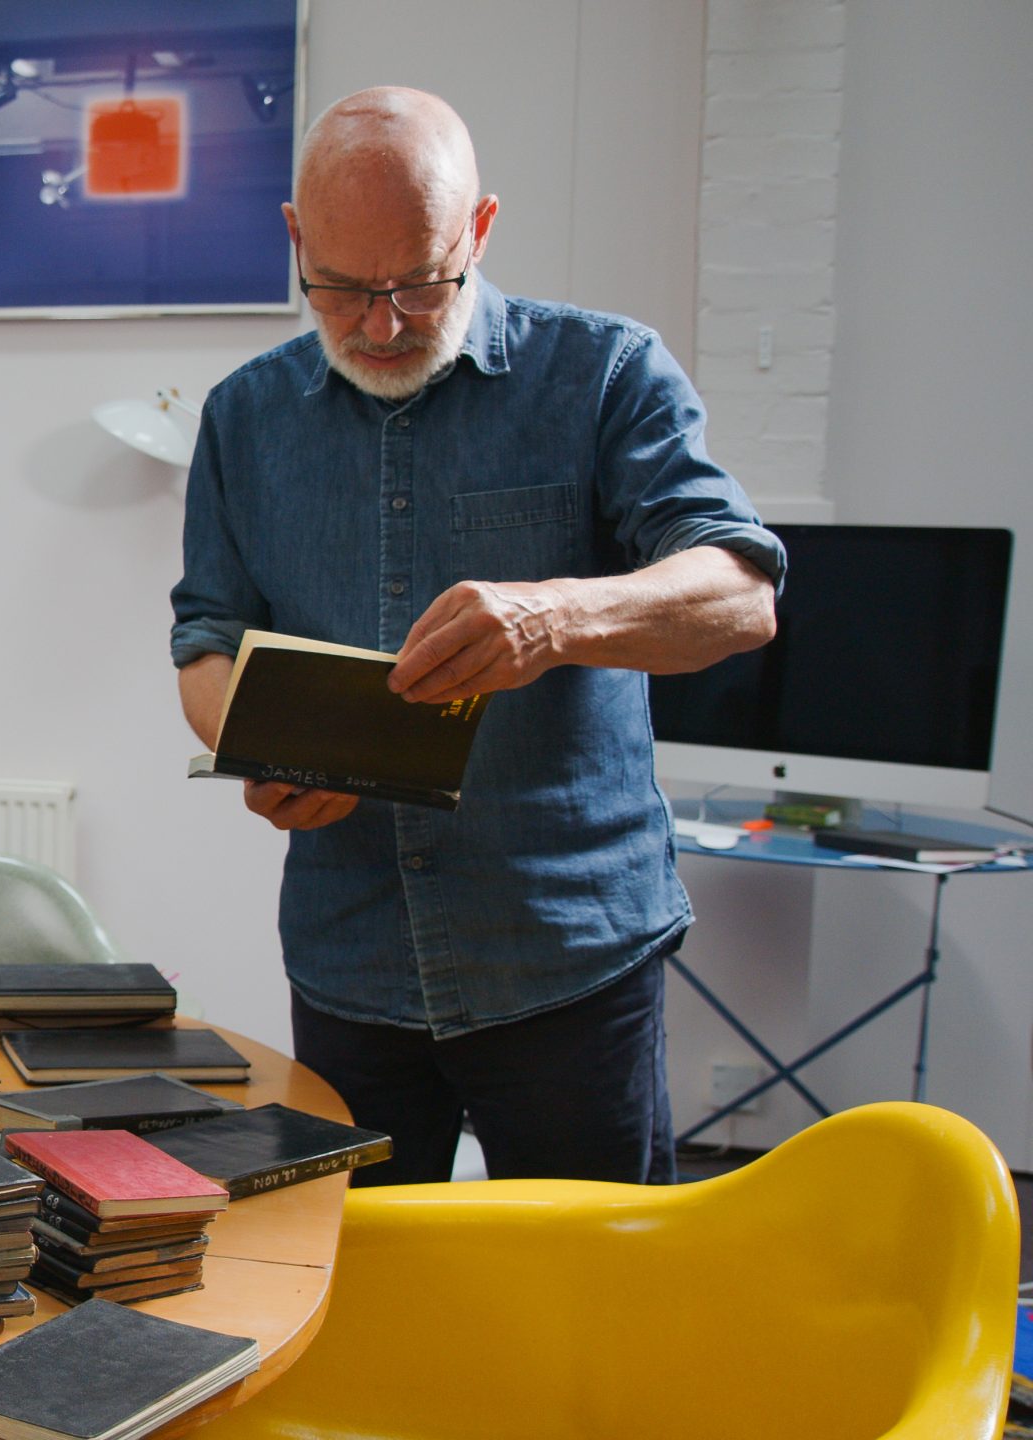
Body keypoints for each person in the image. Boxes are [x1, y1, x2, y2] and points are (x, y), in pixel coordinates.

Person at [166, 87, 783, 1185]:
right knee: (373, 1306)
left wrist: (557, 617)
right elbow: (207, 638)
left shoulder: (602, 374)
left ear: (481, 230)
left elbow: (739, 593)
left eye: (416, 281)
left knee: (589, 1309)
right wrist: (258, 748)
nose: (380, 325)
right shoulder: (242, 417)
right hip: (349, 956)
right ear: (294, 238)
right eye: (343, 289)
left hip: (565, 955)